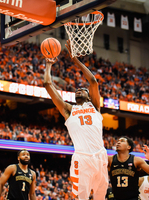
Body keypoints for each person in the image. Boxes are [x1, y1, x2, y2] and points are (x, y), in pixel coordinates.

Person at [44, 40, 108, 200]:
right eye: (77, 90)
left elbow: (93, 81)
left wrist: (74, 59)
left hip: (100, 155)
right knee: (82, 197)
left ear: (88, 95)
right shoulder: (68, 109)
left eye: (83, 90)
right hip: (82, 158)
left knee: (101, 195)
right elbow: (47, 84)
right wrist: (48, 65)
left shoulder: (95, 106)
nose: (79, 90)